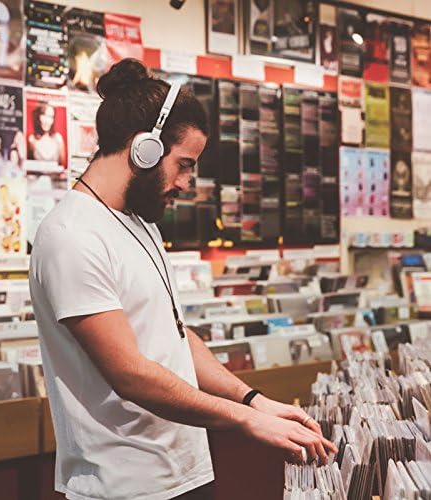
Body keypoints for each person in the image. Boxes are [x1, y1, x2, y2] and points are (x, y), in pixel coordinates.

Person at [29, 59, 335, 500]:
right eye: (184, 165)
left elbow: (174, 335)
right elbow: (130, 374)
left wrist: (253, 400)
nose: (188, 182)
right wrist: (245, 420)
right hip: (125, 489)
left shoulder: (140, 223)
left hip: (182, 473)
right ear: (145, 149)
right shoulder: (71, 235)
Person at [27, 103, 66, 168]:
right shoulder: (32, 139)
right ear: (38, 116)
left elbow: (63, 165)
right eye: (44, 115)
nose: (47, 120)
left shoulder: (58, 138)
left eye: (51, 117)